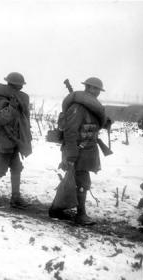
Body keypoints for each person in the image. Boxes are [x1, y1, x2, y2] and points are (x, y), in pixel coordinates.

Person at [49, 77, 110, 225]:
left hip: (86, 149)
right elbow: (70, 131)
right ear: (86, 88)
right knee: (81, 181)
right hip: (77, 149)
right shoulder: (79, 107)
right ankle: (80, 214)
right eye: (92, 88)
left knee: (74, 180)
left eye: (97, 89)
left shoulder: (91, 106)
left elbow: (90, 124)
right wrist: (72, 153)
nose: (95, 92)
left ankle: (57, 209)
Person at [0, 72, 32, 208]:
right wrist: (11, 108)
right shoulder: (0, 99)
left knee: (16, 168)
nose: (20, 89)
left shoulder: (18, 99)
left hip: (15, 140)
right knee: (0, 168)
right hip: (4, 140)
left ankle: (15, 198)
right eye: (18, 86)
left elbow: (22, 120)